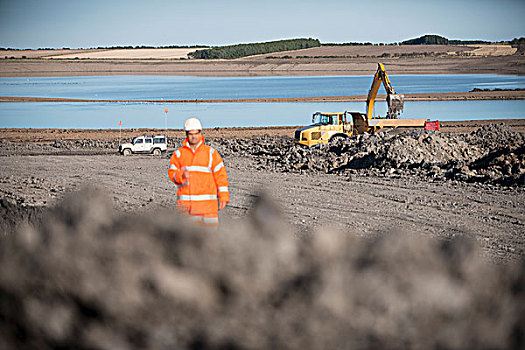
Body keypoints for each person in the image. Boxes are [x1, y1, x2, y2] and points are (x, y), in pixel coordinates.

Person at [168, 117, 229, 226]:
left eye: (196, 133)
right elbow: (172, 173)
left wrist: (223, 196)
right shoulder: (179, 154)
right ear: (187, 135)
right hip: (187, 209)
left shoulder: (210, 153)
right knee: (189, 240)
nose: (194, 136)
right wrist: (180, 175)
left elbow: (221, 175)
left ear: (200, 133)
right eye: (191, 134)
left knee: (211, 239)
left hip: (208, 209)